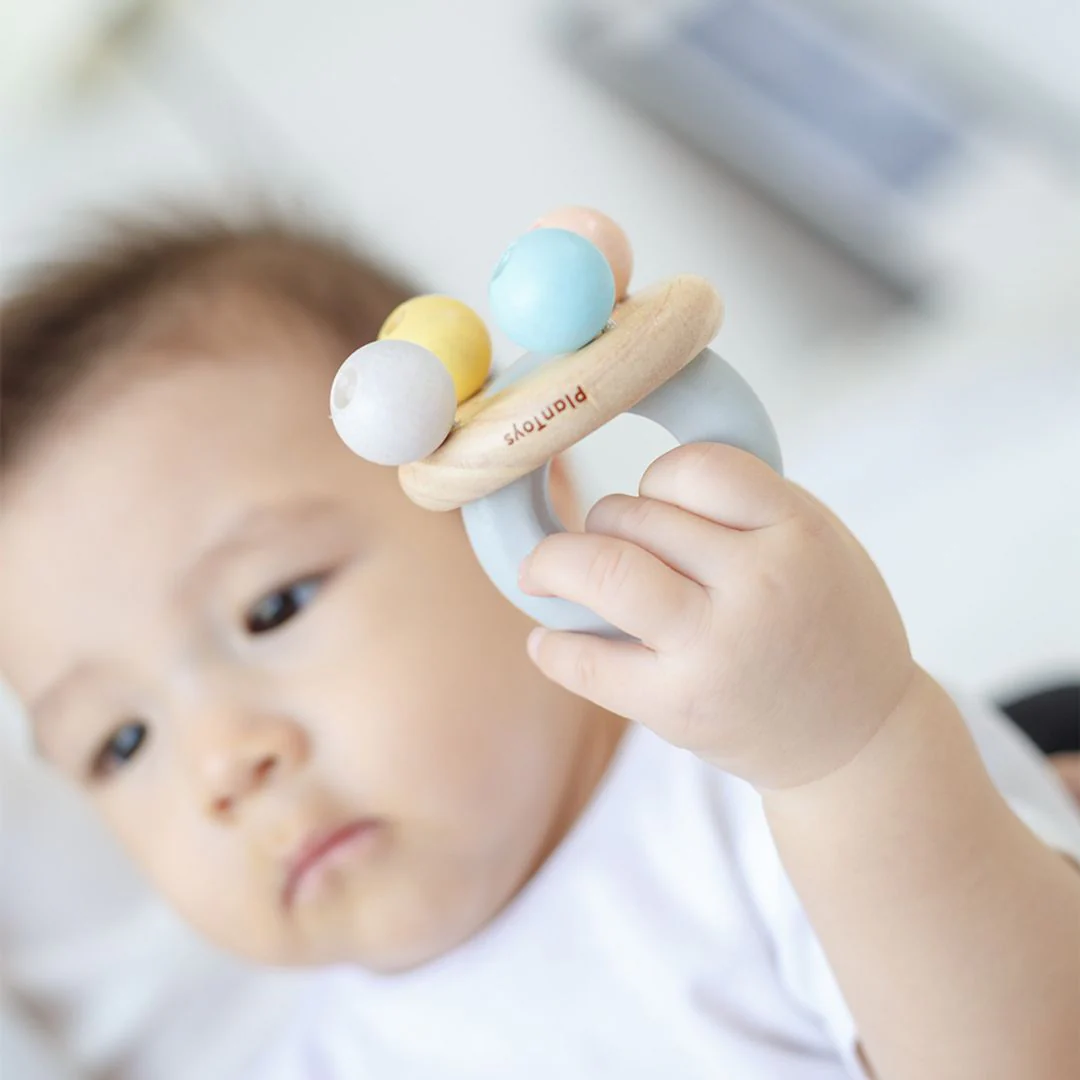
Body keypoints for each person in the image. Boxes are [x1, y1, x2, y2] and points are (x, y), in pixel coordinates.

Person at [1, 212, 1078, 1080]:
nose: (223, 762)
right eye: (120, 742)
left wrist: (853, 754)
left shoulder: (779, 791)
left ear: (526, 498)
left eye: (272, 608)